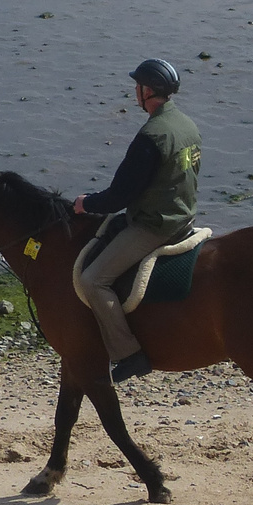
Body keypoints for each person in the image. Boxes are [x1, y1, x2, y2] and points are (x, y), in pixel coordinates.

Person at [72, 58, 202, 383]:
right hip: (184, 215)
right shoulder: (187, 125)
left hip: (156, 226)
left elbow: (120, 196)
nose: (135, 91)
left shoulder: (151, 136)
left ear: (145, 91)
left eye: (137, 86)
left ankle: (129, 353)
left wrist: (86, 204)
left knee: (93, 280)